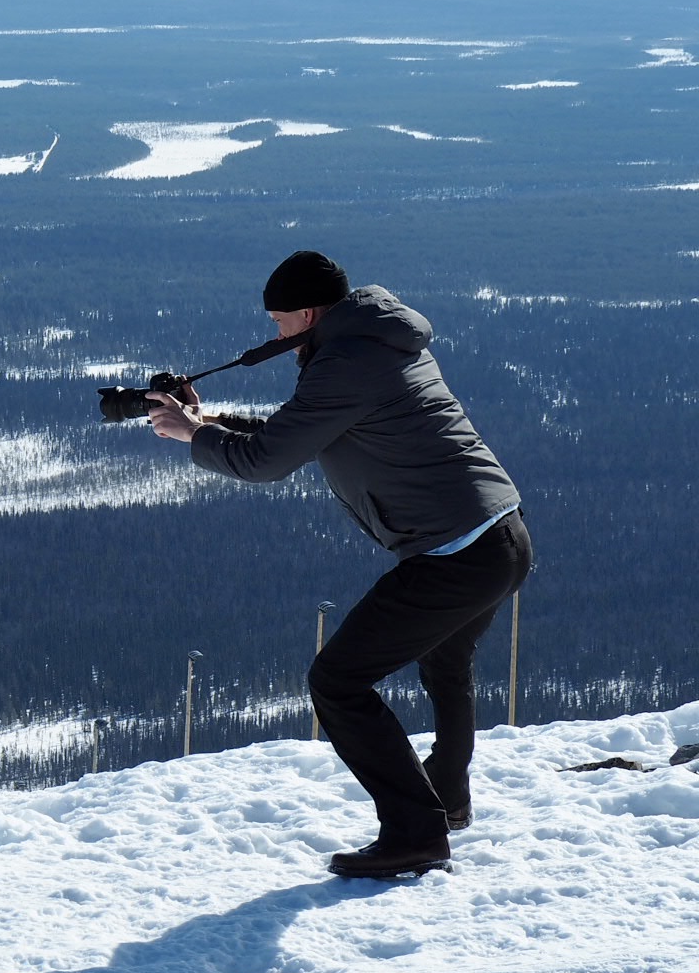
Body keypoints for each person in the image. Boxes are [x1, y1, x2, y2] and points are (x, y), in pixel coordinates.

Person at [145, 251, 530, 879]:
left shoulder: (346, 363)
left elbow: (265, 461)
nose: (276, 335)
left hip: (456, 554)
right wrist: (207, 420)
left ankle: (416, 834)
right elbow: (303, 430)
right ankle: (446, 802)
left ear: (306, 314)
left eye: (278, 323)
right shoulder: (375, 341)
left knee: (338, 681)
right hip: (501, 535)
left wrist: (193, 436)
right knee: (445, 663)